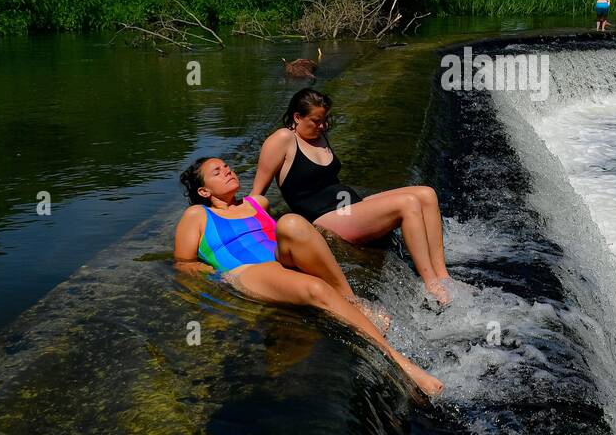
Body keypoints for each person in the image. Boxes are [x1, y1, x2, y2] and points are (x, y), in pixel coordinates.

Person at [174, 156, 443, 398]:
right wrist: (216, 276)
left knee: (292, 222)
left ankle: (351, 299)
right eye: (217, 172)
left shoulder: (258, 203)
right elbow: (184, 263)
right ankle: (403, 365)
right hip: (246, 271)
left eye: (227, 166)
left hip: (281, 260)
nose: (228, 171)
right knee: (315, 289)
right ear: (204, 191)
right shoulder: (197, 214)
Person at [252, 89, 455, 305]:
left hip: (347, 206)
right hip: (325, 217)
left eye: (325, 120)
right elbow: (257, 195)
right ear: (297, 117)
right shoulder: (282, 139)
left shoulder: (318, 135)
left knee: (426, 194)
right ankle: (431, 285)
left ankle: (443, 276)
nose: (322, 126)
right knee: (407, 203)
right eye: (316, 121)